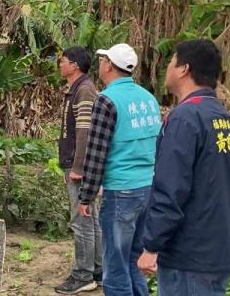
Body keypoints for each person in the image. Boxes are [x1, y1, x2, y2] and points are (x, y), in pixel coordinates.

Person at [138, 39, 230, 295]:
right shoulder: (224, 119)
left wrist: (151, 246)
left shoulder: (185, 118)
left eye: (171, 62)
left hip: (189, 256)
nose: (168, 69)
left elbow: (171, 189)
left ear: (183, 69)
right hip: (218, 248)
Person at [78, 43, 161, 296]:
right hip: (147, 187)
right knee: (133, 259)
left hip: (121, 191)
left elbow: (96, 152)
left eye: (103, 60)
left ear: (109, 66)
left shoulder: (106, 100)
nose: (100, 64)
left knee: (114, 268)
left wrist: (86, 195)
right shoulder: (148, 98)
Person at [55, 47, 102, 295]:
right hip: (77, 163)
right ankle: (95, 270)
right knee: (90, 218)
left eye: (61, 61)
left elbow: (85, 131)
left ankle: (83, 274)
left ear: (74, 65)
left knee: (81, 218)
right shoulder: (78, 89)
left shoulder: (84, 90)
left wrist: (78, 167)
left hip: (78, 166)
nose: (59, 65)